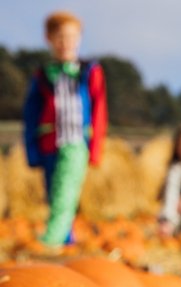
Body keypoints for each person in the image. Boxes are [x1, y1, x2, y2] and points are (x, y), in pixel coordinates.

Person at [22, 11, 107, 249]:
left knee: (65, 190)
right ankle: (67, 243)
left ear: (79, 39)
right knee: (54, 194)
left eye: (71, 37)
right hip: (49, 143)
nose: (66, 43)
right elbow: (30, 114)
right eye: (60, 37)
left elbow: (99, 110)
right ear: (49, 39)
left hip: (75, 141)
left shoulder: (90, 71)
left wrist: (96, 148)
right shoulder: (42, 76)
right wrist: (32, 149)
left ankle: (50, 242)